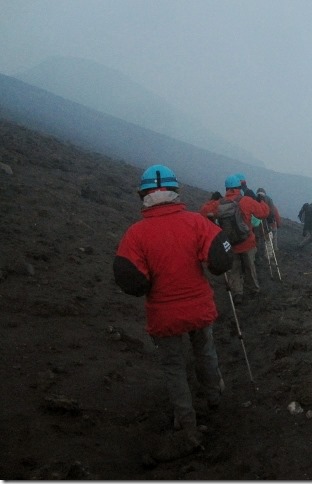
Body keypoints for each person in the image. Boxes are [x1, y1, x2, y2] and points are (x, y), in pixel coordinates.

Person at [113, 164, 233, 437]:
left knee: (173, 366)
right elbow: (219, 258)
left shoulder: (136, 234)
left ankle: (185, 420)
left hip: (164, 315)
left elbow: (130, 279)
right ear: (175, 192)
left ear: (142, 194)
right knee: (205, 351)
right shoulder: (196, 222)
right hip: (199, 308)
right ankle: (214, 397)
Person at [221, 174, 269, 305]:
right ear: (239, 187)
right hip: (247, 242)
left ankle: (237, 293)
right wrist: (262, 200)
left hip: (230, 245)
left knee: (234, 269)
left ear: (226, 188)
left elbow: (205, 213)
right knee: (249, 267)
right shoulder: (246, 201)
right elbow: (264, 213)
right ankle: (254, 289)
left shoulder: (219, 204)